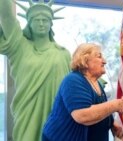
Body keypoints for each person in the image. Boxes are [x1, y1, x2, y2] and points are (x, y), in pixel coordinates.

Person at [0, 0, 71, 141]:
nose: (41, 23)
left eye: (45, 20)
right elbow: (7, 15)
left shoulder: (63, 53)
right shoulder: (19, 46)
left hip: (56, 114)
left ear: (51, 23)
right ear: (29, 23)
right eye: (36, 20)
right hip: (27, 111)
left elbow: (74, 82)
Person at [42, 43, 123, 141]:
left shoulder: (97, 83)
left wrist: (112, 123)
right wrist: (116, 104)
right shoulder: (73, 80)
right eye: (99, 56)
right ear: (85, 60)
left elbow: (99, 109)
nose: (104, 61)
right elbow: (83, 116)